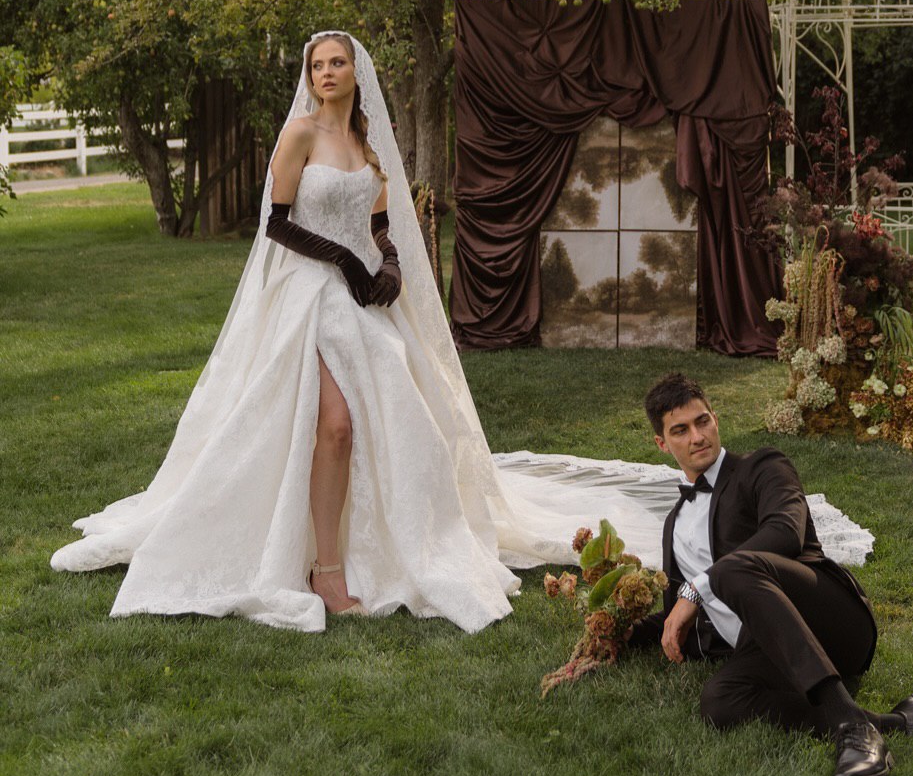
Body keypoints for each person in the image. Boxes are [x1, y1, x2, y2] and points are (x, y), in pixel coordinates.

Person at [50, 32, 666, 632]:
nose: (326, 73)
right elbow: (276, 222)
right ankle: (325, 570)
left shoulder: (368, 143)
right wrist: (344, 260)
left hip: (363, 301)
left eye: (336, 63)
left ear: (355, 72)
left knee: (391, 422)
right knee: (337, 425)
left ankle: (388, 545)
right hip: (307, 295)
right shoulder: (300, 134)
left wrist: (389, 263)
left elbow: (378, 224)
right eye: (317, 65)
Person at [632, 371, 913, 776]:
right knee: (719, 702)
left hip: (830, 620)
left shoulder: (762, 467)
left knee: (731, 569)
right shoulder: (675, 525)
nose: (697, 437)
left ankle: (852, 732)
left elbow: (785, 532)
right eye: (680, 430)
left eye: (703, 421)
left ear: (715, 419)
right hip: (770, 646)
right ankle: (904, 721)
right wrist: (615, 636)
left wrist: (698, 586)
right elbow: (674, 616)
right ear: (662, 443)